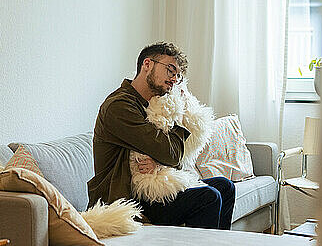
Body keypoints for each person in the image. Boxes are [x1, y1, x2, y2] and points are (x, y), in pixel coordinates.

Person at [87, 42, 235, 230]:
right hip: (126, 198)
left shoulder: (151, 105)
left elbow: (175, 158)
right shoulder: (120, 106)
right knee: (208, 197)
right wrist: (177, 111)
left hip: (149, 188)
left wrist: (160, 162)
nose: (174, 79)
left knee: (225, 186)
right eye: (170, 70)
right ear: (147, 64)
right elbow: (170, 153)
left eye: (177, 75)